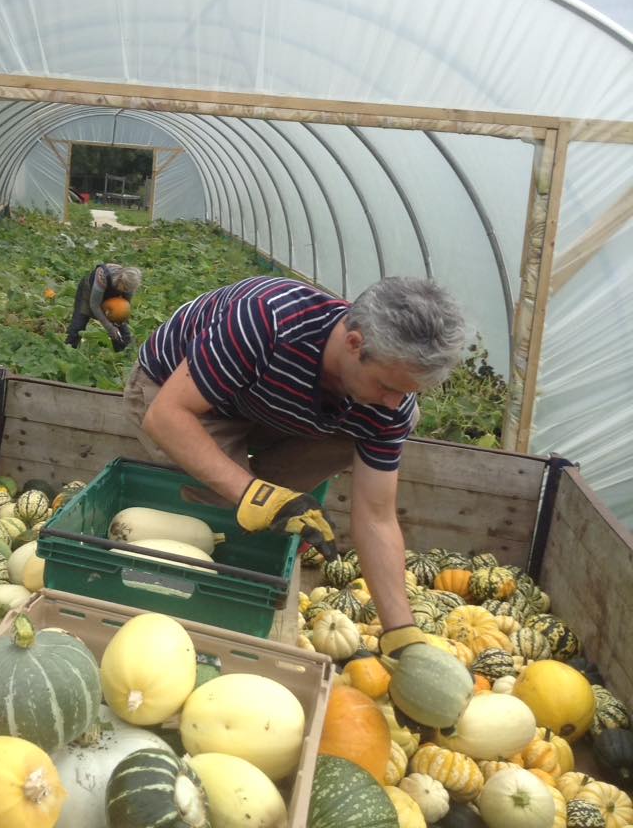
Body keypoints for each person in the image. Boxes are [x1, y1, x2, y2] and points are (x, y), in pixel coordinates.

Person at [123, 274, 471, 720]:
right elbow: (167, 416)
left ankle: (251, 493)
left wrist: (401, 632)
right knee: (221, 508)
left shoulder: (392, 402)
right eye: (387, 386)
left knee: (260, 499)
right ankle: (187, 636)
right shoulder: (266, 321)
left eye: (405, 391)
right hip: (177, 392)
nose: (392, 402)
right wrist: (254, 495)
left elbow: (377, 515)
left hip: (273, 403)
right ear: (353, 342)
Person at [66, 263, 142, 351]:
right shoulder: (102, 276)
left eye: (129, 290)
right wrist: (109, 327)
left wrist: (121, 321)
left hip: (112, 298)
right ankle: (68, 350)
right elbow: (94, 305)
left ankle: (123, 354)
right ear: (120, 280)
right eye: (125, 289)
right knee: (78, 326)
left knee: (123, 333)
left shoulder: (129, 286)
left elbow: (126, 306)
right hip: (89, 293)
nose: (127, 291)